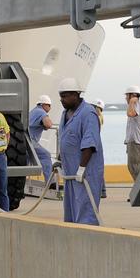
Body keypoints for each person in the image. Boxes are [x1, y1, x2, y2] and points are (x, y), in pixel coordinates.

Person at [58, 79, 104, 225]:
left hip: (85, 173)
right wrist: (59, 161)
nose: (61, 100)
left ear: (75, 95)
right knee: (71, 209)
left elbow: (89, 144)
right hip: (70, 173)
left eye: (65, 96)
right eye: (61, 96)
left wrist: (82, 168)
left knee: (85, 209)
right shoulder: (65, 113)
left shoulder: (88, 114)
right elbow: (66, 140)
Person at [29, 95, 56, 188]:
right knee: (46, 155)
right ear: (45, 105)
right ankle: (50, 182)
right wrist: (47, 124)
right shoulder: (41, 112)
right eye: (49, 106)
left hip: (25, 140)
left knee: (27, 160)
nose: (50, 108)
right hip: (30, 141)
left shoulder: (33, 111)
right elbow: (48, 124)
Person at [124, 85, 140, 182]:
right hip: (135, 142)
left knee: (135, 169)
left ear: (132, 95)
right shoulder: (138, 105)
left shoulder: (136, 105)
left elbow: (130, 113)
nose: (126, 98)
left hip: (136, 143)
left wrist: (132, 101)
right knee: (134, 168)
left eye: (127, 96)